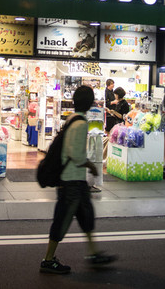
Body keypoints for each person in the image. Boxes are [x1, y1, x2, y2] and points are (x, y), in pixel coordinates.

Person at [41, 85, 116, 274]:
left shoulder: (72, 118)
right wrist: (90, 165)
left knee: (86, 217)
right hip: (71, 182)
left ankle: (93, 254)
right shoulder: (82, 123)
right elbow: (75, 155)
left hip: (75, 181)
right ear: (90, 103)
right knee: (62, 221)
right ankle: (48, 260)